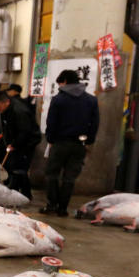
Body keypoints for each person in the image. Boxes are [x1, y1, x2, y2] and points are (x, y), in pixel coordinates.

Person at [41, 70, 99, 215]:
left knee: (52, 174)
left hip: (60, 143)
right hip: (80, 145)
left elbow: (51, 122)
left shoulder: (59, 99)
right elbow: (95, 123)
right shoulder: (91, 100)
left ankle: (52, 205)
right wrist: (89, 141)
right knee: (70, 177)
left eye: (60, 83)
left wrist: (51, 139)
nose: (59, 86)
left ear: (65, 81)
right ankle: (63, 208)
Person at [0, 91, 41, 200]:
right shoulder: (7, 109)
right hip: (17, 142)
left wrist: (14, 144)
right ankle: (18, 191)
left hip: (27, 143)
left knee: (20, 167)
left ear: (6, 102)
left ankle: (25, 194)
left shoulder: (19, 111)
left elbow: (24, 131)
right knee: (15, 166)